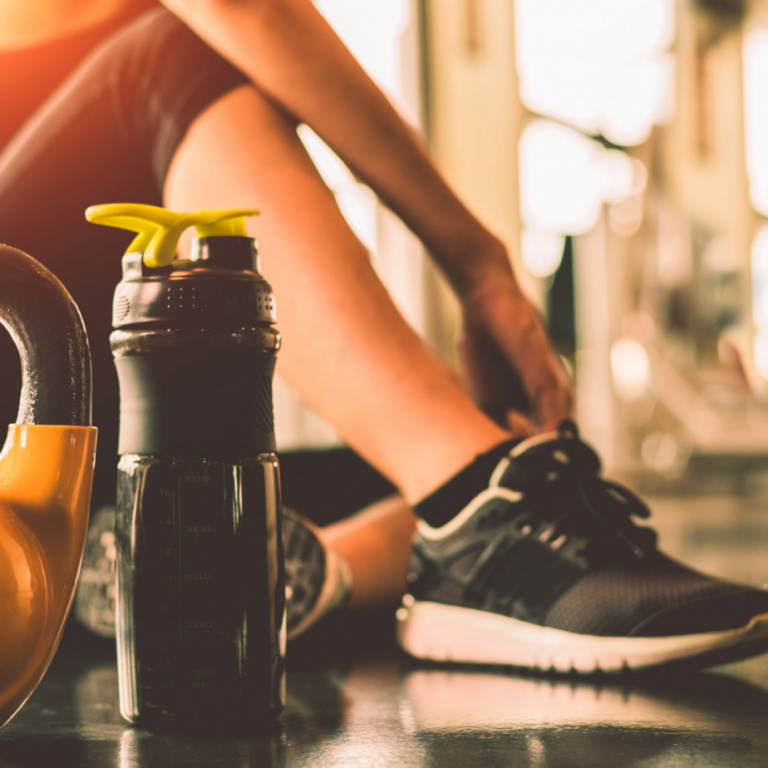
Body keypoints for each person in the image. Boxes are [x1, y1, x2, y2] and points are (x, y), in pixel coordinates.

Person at [1, 0, 768, 673]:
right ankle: (475, 512)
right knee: (167, 58)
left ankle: (252, 570)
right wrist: (476, 261)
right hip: (21, 364)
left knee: (389, 461)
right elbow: (243, 9)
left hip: (77, 446)